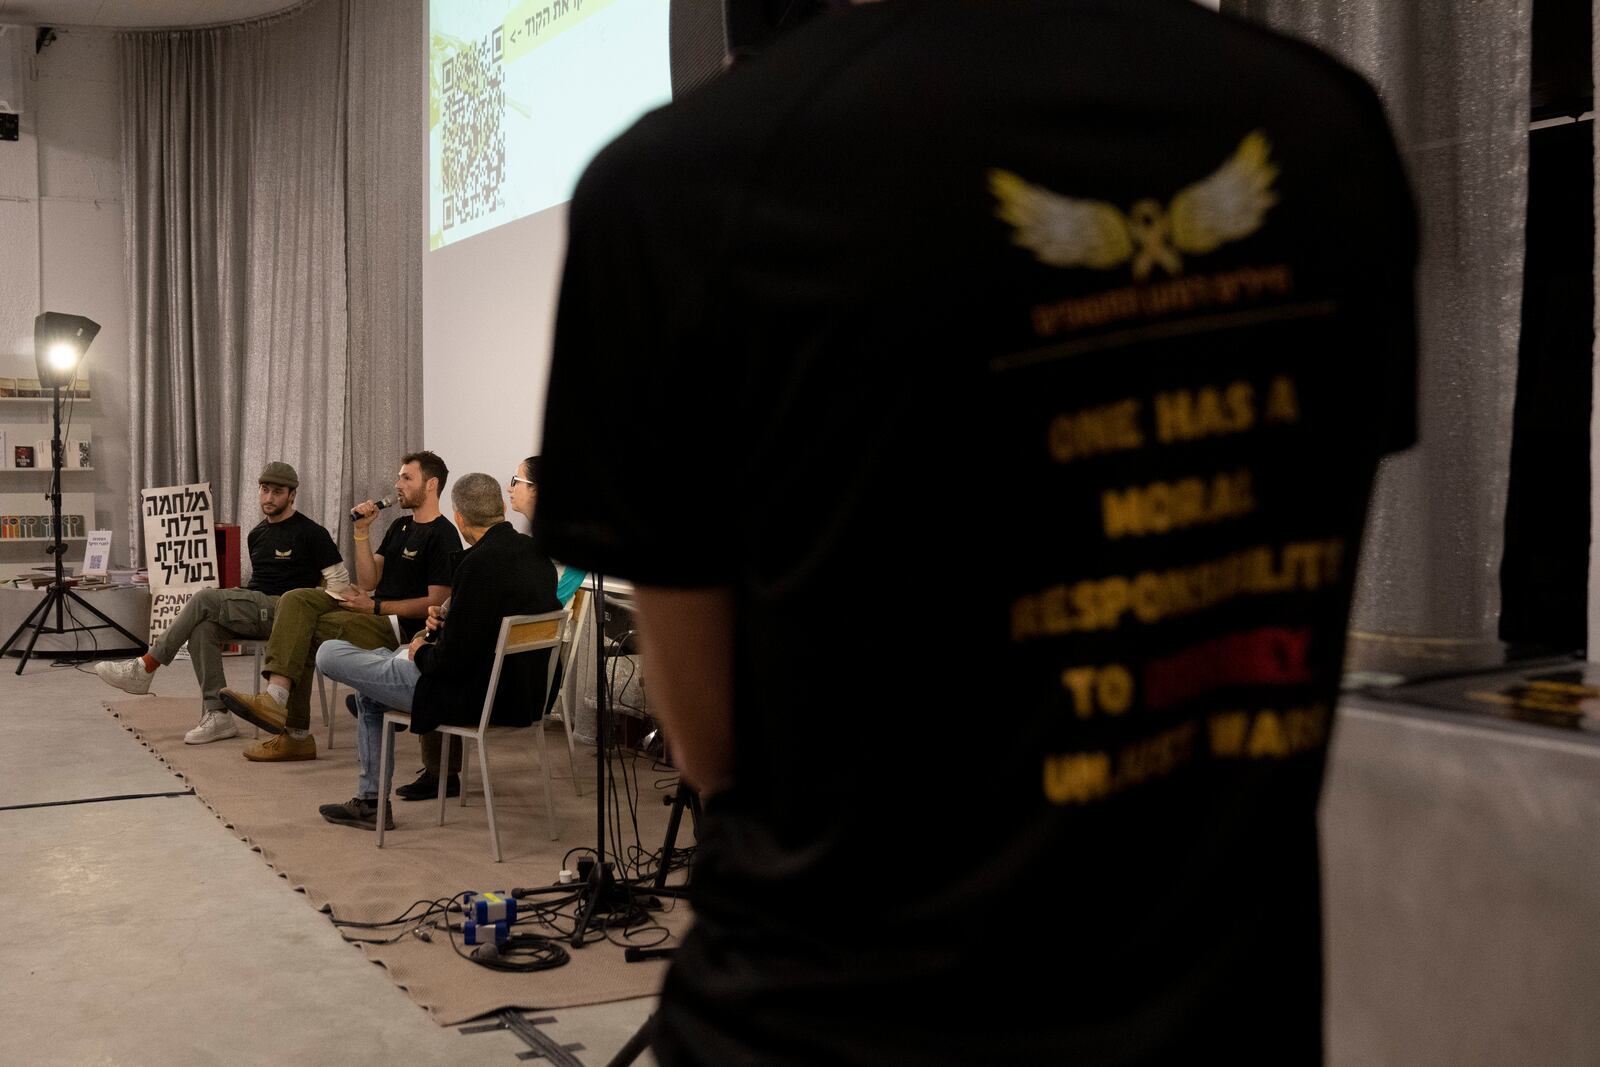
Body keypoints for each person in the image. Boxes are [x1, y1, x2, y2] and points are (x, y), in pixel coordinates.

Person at [534, 1, 1417, 1062]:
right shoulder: (1320, 120)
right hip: (1223, 1008)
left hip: (831, 1021)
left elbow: (711, 740)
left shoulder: (685, 182)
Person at [313, 471, 560, 830]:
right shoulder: (535, 555)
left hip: (474, 697)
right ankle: (369, 801)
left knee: (330, 653)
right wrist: (445, 622)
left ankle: (370, 802)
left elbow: (450, 661)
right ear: (502, 508)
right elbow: (486, 624)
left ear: (458, 517)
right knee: (373, 689)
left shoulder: (475, 564)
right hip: (525, 693)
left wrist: (421, 647)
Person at [219, 451, 456, 765]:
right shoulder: (399, 527)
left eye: (406, 478)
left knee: (304, 630)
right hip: (371, 610)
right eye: (399, 476)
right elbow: (369, 579)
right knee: (295, 598)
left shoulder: (443, 535)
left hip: (398, 628)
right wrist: (362, 532)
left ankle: (293, 730)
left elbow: (435, 604)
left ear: (431, 485)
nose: (397, 484)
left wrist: (376, 608)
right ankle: (277, 702)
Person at [93, 462, 344, 745]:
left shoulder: (311, 532)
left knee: (204, 598)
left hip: (289, 613)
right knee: (203, 628)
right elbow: (259, 584)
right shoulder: (257, 535)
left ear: (292, 495)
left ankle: (146, 666)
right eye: (264, 490)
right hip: (258, 607)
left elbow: (339, 585)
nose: (269, 497)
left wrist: (312, 610)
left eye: (277, 491)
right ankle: (219, 715)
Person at [510, 455, 585, 605]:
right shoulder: (537, 532)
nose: (509, 488)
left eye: (516, 481)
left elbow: (578, 569)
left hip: (546, 622)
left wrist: (550, 606)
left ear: (534, 489)